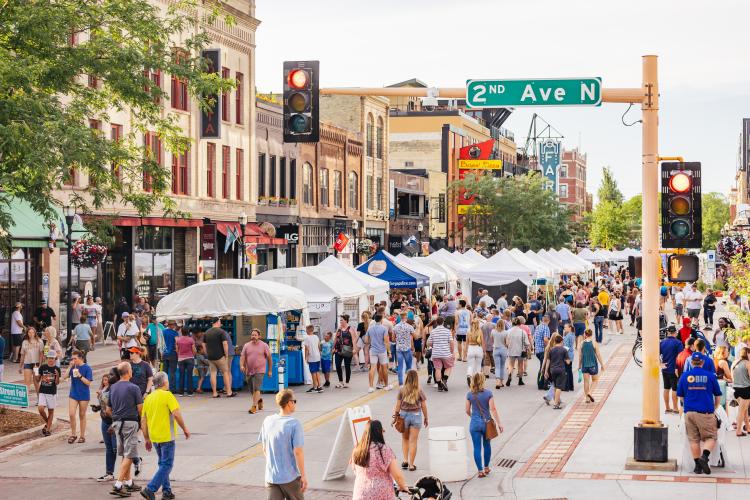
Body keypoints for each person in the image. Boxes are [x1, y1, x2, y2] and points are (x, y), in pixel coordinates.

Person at [139, 371, 191, 500]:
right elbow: (176, 414)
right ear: (164, 382)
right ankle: (150, 489)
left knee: (162, 464)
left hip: (155, 437)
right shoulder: (167, 395)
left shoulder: (148, 398)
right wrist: (184, 428)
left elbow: (143, 420)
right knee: (167, 465)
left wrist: (146, 438)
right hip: (167, 436)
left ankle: (167, 491)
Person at [677, 352, 722, 475]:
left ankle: (697, 467)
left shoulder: (684, 376)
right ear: (702, 362)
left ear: (691, 362)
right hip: (705, 412)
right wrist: (715, 407)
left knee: (694, 440)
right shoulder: (710, 376)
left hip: (689, 412)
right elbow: (718, 395)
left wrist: (687, 404)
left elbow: (680, 397)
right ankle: (704, 457)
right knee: (711, 437)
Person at [259, 389, 307, 500]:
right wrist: (303, 476)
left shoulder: (267, 421)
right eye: (294, 401)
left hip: (271, 477)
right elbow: (298, 452)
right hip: (289, 477)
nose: (295, 404)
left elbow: (264, 449)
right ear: (289, 403)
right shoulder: (294, 424)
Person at [109, 362, 144, 496]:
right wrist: (141, 423)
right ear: (129, 372)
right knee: (130, 454)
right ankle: (118, 485)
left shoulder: (113, 387)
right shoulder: (134, 388)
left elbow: (109, 408)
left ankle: (129, 482)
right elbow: (140, 408)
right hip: (130, 422)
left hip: (117, 422)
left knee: (125, 454)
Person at [351, 419, 408, 499]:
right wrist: (403, 486)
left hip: (360, 493)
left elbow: (355, 470)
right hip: (380, 494)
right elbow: (397, 476)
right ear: (379, 432)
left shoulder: (357, 448)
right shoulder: (384, 449)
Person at [466, 372, 503, 478]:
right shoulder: (488, 393)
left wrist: (474, 417)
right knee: (487, 445)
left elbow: (467, 410)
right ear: (483, 381)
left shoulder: (470, 394)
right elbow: (493, 409)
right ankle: (486, 467)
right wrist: (499, 423)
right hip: (486, 423)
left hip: (475, 424)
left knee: (476, 447)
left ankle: (480, 471)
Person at [393, 370, 428, 471]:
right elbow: (424, 406)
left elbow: (398, 405)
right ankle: (411, 465)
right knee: (413, 441)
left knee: (405, 439)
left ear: (407, 378)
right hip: (416, 415)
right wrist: (426, 418)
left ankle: (405, 460)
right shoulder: (419, 391)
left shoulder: (402, 390)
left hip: (404, 416)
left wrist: (396, 416)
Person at [63, 349, 92, 444]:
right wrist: (69, 367)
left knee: (82, 415)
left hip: (84, 394)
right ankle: (73, 434)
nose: (73, 360)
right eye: (72, 359)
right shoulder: (73, 367)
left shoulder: (87, 368)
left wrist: (80, 376)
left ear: (80, 358)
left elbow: (88, 383)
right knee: (71, 414)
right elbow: (65, 377)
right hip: (74, 393)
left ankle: (82, 436)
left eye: (75, 359)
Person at [241, 328, 272, 414]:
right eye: (252, 335)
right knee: (252, 390)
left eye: (255, 335)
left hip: (260, 370)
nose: (253, 336)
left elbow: (269, 358)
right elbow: (242, 356)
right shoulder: (246, 345)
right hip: (249, 370)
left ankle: (254, 407)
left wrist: (270, 370)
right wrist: (241, 365)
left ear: (259, 336)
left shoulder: (264, 345)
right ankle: (259, 400)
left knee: (256, 388)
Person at [97, 369, 119, 482]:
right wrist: (97, 407)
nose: (109, 376)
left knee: (117, 448)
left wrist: (115, 422)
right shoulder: (105, 388)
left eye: (111, 374)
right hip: (105, 421)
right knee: (109, 448)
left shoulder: (117, 389)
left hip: (115, 422)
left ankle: (135, 461)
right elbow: (104, 404)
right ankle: (109, 473)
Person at [204, 317, 234, 398]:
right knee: (225, 372)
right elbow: (225, 344)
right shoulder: (221, 332)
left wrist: (207, 353)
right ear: (217, 322)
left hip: (211, 357)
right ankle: (228, 392)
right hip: (220, 356)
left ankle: (214, 393)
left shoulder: (207, 332)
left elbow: (203, 344)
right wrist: (226, 355)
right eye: (220, 321)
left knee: (213, 373)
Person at [426, 316, 455, 392]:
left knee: (437, 369)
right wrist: (452, 352)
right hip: (446, 353)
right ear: (443, 322)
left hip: (436, 353)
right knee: (449, 366)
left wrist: (434, 346)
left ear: (436, 322)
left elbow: (428, 342)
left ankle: (439, 385)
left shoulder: (433, 331)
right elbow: (451, 342)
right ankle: (444, 380)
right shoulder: (447, 331)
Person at [659, 325, 683, 414]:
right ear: (675, 333)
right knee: (674, 389)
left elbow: (656, 353)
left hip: (665, 368)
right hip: (674, 369)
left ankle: (667, 408)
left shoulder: (662, 342)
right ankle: (675, 408)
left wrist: (660, 364)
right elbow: (680, 357)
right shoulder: (678, 343)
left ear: (668, 332)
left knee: (666, 388)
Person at [37, 350, 60, 436]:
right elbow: (37, 379)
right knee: (40, 408)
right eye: (49, 358)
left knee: (51, 411)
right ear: (47, 358)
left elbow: (57, 383)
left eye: (52, 358)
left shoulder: (57, 369)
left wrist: (57, 375)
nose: (50, 360)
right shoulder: (42, 367)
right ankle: (48, 423)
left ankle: (48, 429)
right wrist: (35, 374)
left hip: (52, 392)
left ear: (55, 359)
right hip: (42, 391)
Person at [365, 314, 391, 392]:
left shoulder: (370, 329)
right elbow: (386, 341)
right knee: (384, 368)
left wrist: (372, 341)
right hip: (382, 350)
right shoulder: (384, 329)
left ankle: (370, 387)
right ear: (381, 320)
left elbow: (366, 341)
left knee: (372, 368)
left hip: (373, 350)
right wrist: (389, 351)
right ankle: (386, 385)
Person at [578, 329, 604, 403]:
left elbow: (580, 356)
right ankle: (590, 392)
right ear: (591, 335)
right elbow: (598, 354)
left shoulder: (581, 343)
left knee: (586, 382)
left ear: (585, 335)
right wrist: (602, 364)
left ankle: (587, 398)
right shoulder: (594, 343)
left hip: (584, 365)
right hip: (593, 365)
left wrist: (579, 366)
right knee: (595, 380)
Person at [544, 335, 569, 409]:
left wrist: (546, 371)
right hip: (561, 370)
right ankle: (556, 404)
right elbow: (568, 361)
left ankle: (556, 401)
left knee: (555, 386)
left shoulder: (551, 350)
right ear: (561, 341)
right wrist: (566, 360)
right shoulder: (564, 350)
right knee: (559, 387)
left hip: (552, 370)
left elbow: (548, 361)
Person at [334, 315, 358, 388]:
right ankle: (340, 381)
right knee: (338, 365)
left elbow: (354, 340)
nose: (340, 321)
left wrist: (354, 349)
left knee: (347, 366)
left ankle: (347, 382)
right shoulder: (339, 328)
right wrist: (333, 348)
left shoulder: (351, 329)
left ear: (346, 320)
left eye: (341, 320)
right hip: (338, 350)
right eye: (340, 320)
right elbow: (336, 338)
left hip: (347, 350)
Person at [18, 326, 43, 397]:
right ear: (27, 333)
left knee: (36, 382)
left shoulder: (39, 341)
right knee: (27, 382)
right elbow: (22, 355)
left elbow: (41, 354)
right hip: (27, 364)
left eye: (32, 332)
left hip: (36, 364)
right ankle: (25, 401)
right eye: (29, 332)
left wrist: (40, 365)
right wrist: (20, 367)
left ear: (35, 333)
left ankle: (40, 399)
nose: (31, 334)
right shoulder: (24, 342)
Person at [731, 347, 750, 437]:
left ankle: (748, 428)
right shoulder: (747, 363)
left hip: (736, 389)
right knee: (742, 411)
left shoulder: (735, 362)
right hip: (745, 389)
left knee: (744, 410)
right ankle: (738, 431)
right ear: (747, 354)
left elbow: (732, 377)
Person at [393, 311, 415, 386]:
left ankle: (401, 383)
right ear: (406, 317)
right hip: (407, 348)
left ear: (400, 317)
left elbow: (393, 338)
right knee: (409, 366)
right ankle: (409, 382)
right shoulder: (409, 326)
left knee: (400, 366)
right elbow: (415, 336)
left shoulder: (395, 326)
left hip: (399, 348)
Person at [175, 326, 196, 396]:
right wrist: (193, 354)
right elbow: (194, 350)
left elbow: (177, 350)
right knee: (189, 375)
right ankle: (190, 392)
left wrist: (180, 355)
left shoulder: (178, 340)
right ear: (188, 332)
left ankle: (181, 392)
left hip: (181, 359)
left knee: (181, 375)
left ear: (181, 332)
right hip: (190, 358)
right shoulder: (191, 340)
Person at [506, 317, 527, 386]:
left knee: (511, 365)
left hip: (511, 350)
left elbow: (506, 342)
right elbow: (527, 343)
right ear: (520, 324)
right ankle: (520, 380)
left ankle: (509, 375)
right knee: (520, 365)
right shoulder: (522, 332)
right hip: (520, 350)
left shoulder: (508, 331)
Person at [303, 325, 323, 393]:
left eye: (306, 329)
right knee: (317, 371)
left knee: (313, 372)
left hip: (312, 357)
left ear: (308, 330)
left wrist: (306, 357)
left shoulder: (307, 338)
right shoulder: (316, 337)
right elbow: (319, 346)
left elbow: (306, 349)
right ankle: (319, 386)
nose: (306, 331)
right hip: (317, 356)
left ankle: (315, 387)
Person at [161, 320, 179, 391]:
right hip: (173, 354)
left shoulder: (163, 332)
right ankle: (172, 389)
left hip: (165, 354)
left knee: (165, 372)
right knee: (172, 372)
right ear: (173, 325)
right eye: (174, 324)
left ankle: (164, 388)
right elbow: (176, 344)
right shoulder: (175, 333)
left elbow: (161, 343)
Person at [466, 318, 485, 384]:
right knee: (478, 365)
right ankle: (478, 380)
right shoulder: (480, 331)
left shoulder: (468, 331)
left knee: (470, 365)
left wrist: (466, 351)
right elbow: (483, 342)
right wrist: (484, 351)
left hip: (471, 348)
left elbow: (466, 343)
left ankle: (469, 375)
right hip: (478, 348)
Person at [492, 320, 509, 389]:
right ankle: (501, 382)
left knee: (497, 367)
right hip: (503, 349)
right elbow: (507, 343)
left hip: (496, 349)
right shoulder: (506, 332)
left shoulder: (493, 331)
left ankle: (497, 381)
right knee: (502, 366)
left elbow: (492, 339)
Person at [562, 323, 576, 392]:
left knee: (567, 371)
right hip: (570, 354)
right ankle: (571, 386)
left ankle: (567, 386)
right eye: (564, 327)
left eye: (565, 327)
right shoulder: (571, 334)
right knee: (569, 370)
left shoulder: (568, 335)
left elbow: (566, 347)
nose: (564, 328)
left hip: (567, 355)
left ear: (570, 328)